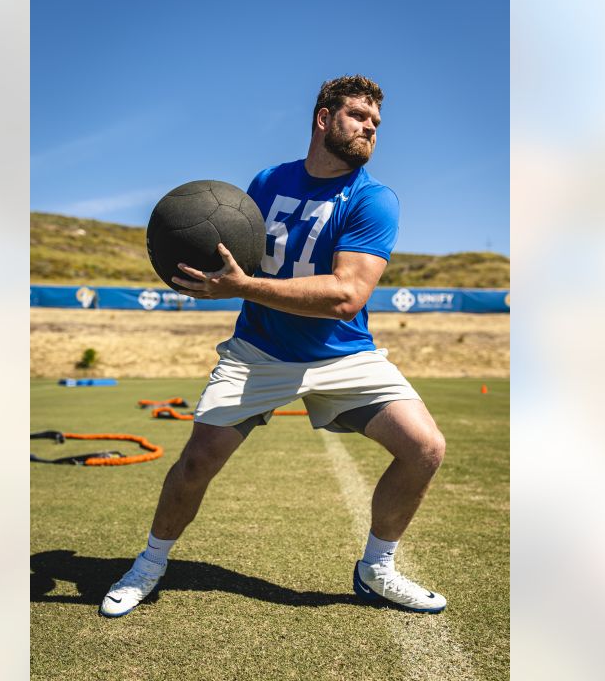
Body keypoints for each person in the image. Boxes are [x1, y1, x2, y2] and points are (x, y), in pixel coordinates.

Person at [100, 75, 448, 617]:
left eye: (376, 123)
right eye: (358, 116)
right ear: (323, 117)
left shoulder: (375, 200)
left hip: (342, 354)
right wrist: (205, 275)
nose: (369, 129)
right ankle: (147, 566)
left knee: (425, 447)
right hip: (258, 352)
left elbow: (346, 296)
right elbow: (234, 255)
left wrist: (240, 288)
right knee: (196, 464)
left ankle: (377, 570)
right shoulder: (266, 182)